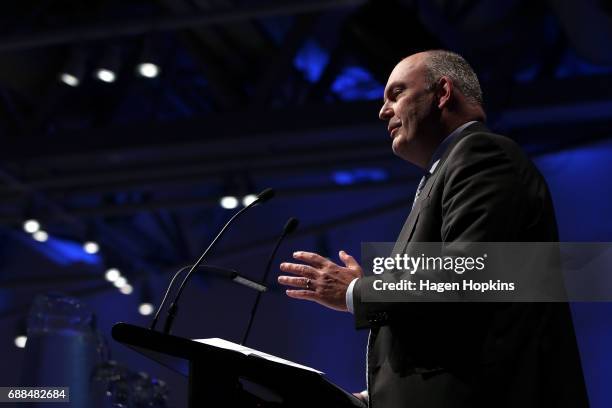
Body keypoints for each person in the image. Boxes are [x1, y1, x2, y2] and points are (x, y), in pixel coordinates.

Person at [278, 50, 588, 407]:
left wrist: (357, 292)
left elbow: (466, 279)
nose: (382, 111)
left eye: (396, 94)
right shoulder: (444, 173)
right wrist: (370, 398)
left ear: (442, 93)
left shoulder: (482, 155)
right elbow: (445, 329)